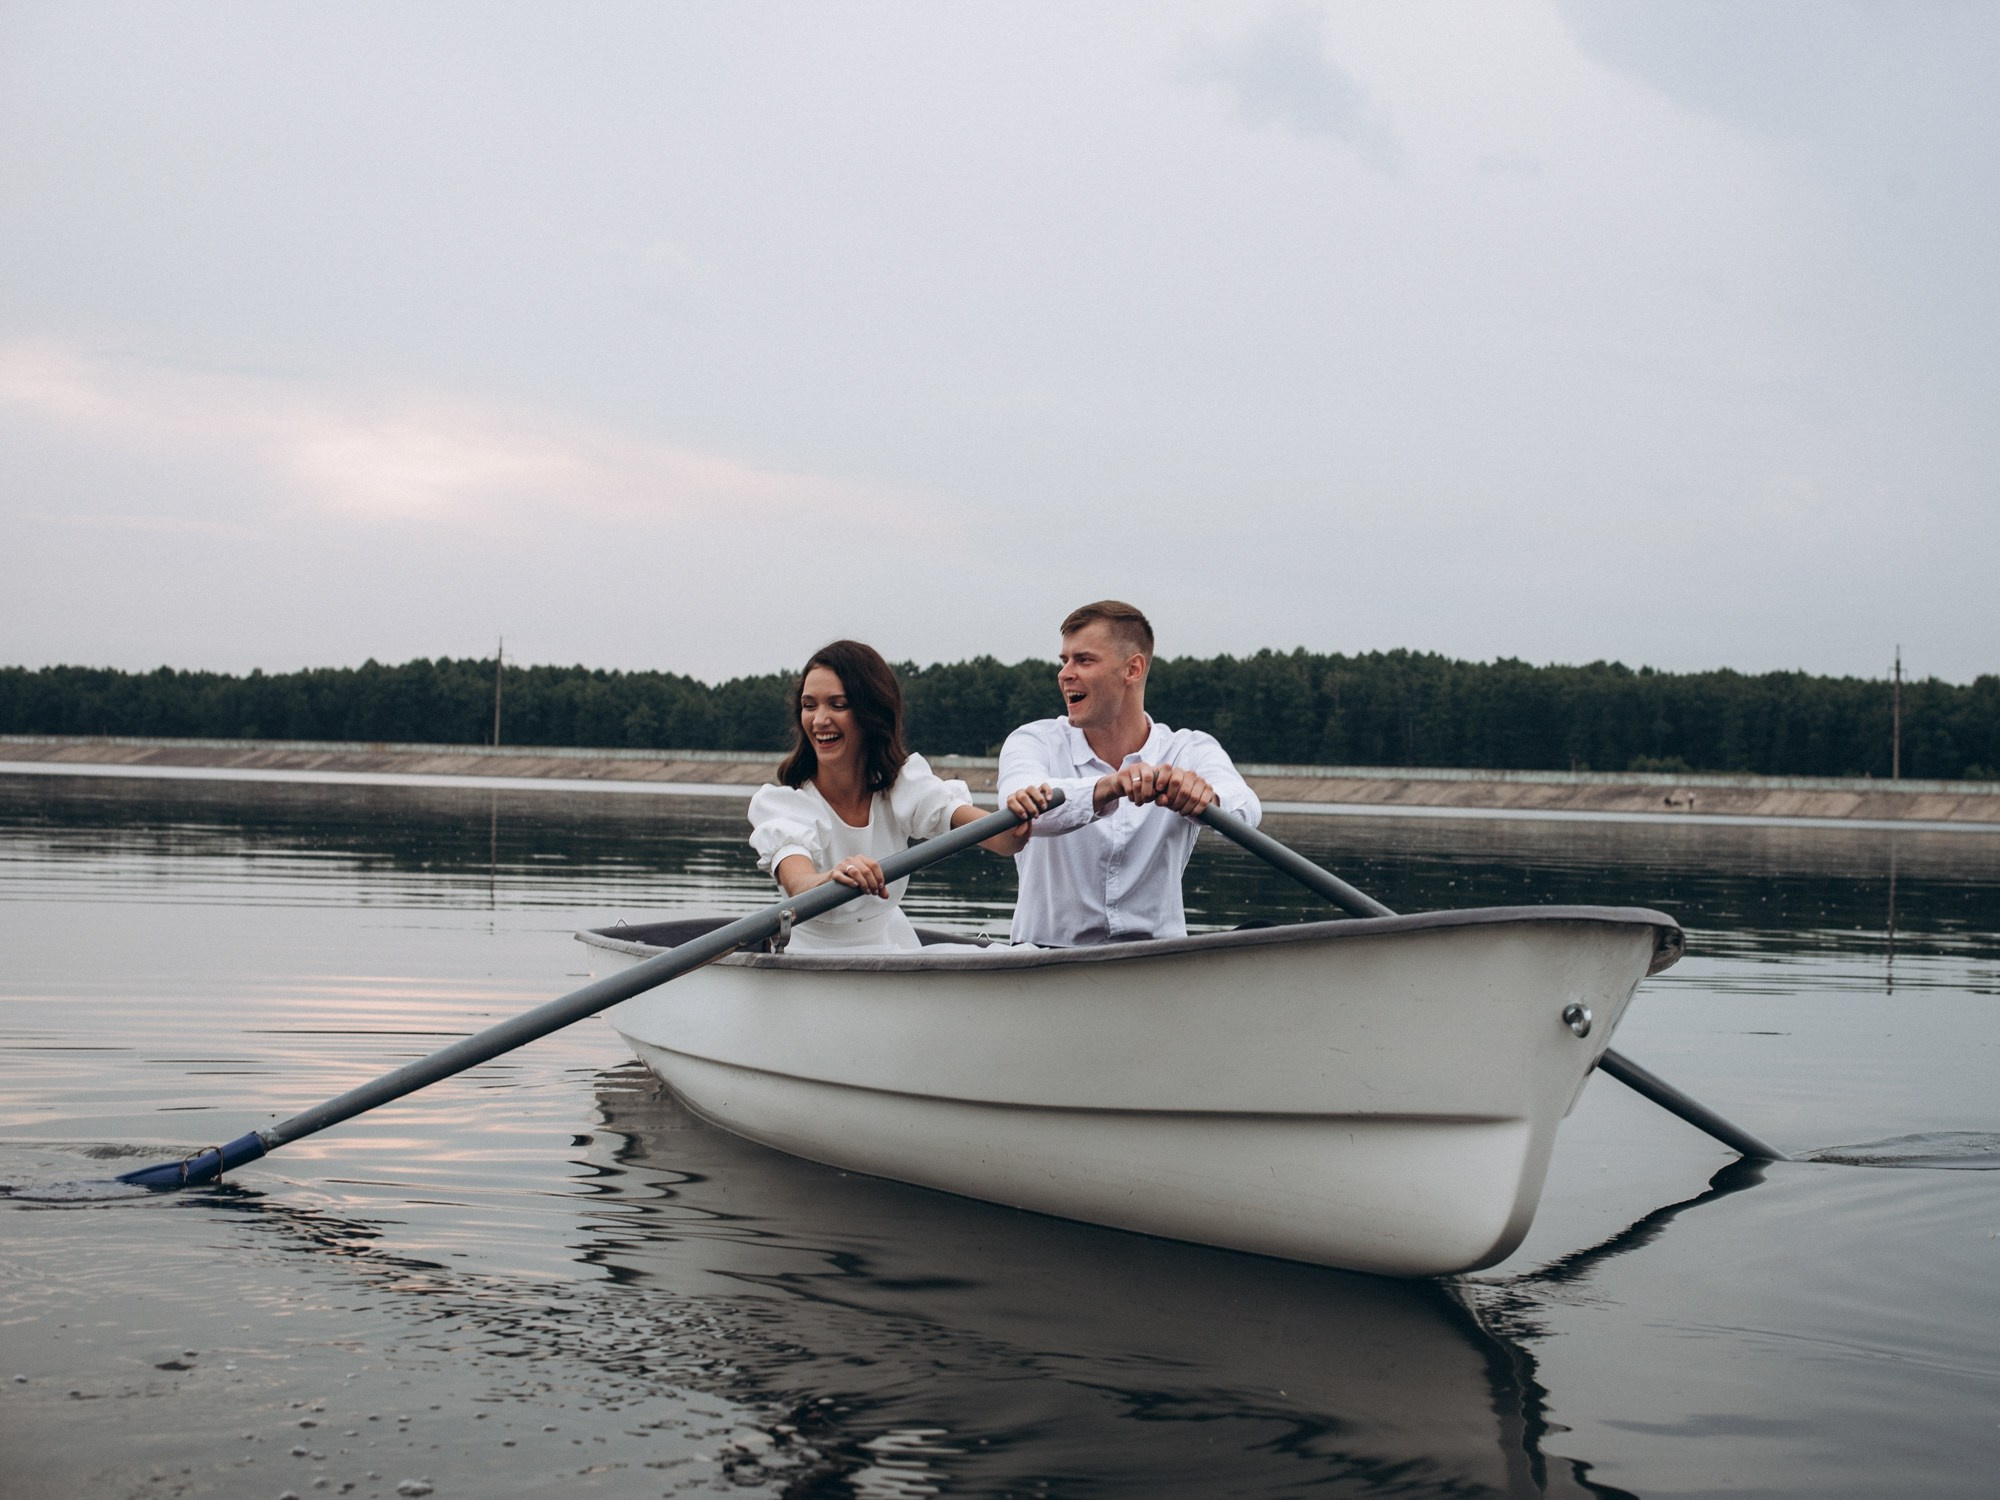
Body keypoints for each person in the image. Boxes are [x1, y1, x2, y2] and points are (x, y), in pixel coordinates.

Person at [999, 600, 1261, 946]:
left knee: (1262, 927)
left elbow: (1246, 808)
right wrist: (1109, 788)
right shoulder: (1032, 741)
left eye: (1084, 659)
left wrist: (1208, 800)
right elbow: (1020, 809)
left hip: (1156, 963)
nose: (1064, 674)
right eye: (1064, 661)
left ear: (1132, 669)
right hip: (1042, 959)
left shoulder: (1189, 749)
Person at [749, 639, 1027, 952]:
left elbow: (1005, 841)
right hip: (809, 962)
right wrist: (831, 877)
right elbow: (799, 885)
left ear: (871, 714)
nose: (819, 719)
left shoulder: (903, 789)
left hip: (888, 949)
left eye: (837, 705)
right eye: (809, 705)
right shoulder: (787, 806)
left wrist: (1022, 811)